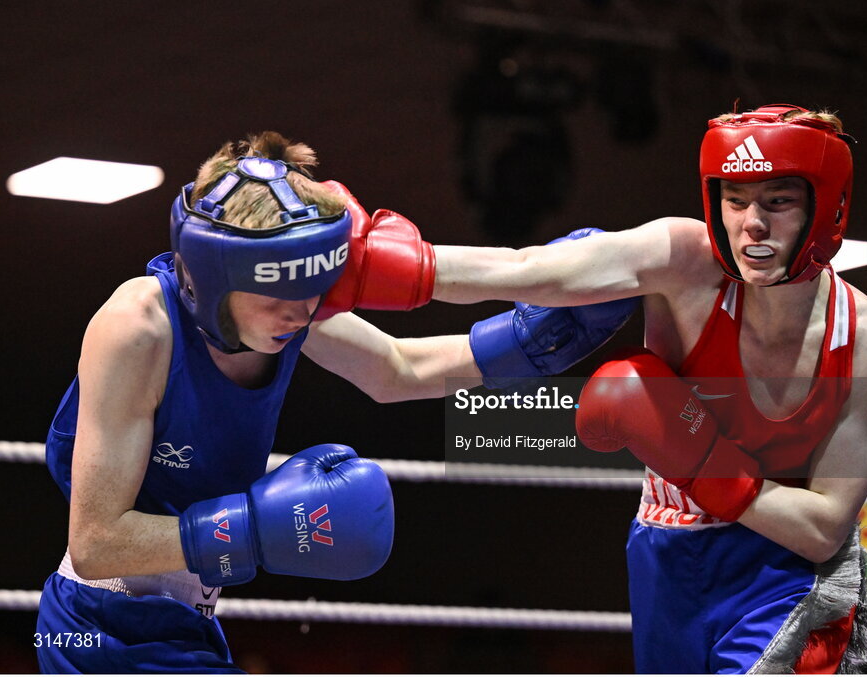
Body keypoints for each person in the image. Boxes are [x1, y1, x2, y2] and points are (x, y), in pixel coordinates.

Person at [36, 131, 635, 673]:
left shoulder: (289, 307)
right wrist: (253, 532)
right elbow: (95, 545)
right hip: (96, 626)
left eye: (311, 291)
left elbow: (398, 369)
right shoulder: (138, 327)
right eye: (280, 295)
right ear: (216, 275)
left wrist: (527, 344)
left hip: (187, 621)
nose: (302, 313)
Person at [431, 104, 867, 673]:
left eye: (778, 202)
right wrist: (377, 267)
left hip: (786, 576)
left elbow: (823, 529)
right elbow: (524, 269)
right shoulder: (683, 261)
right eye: (735, 201)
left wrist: (701, 460)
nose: (751, 224)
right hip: (665, 554)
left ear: (825, 206)